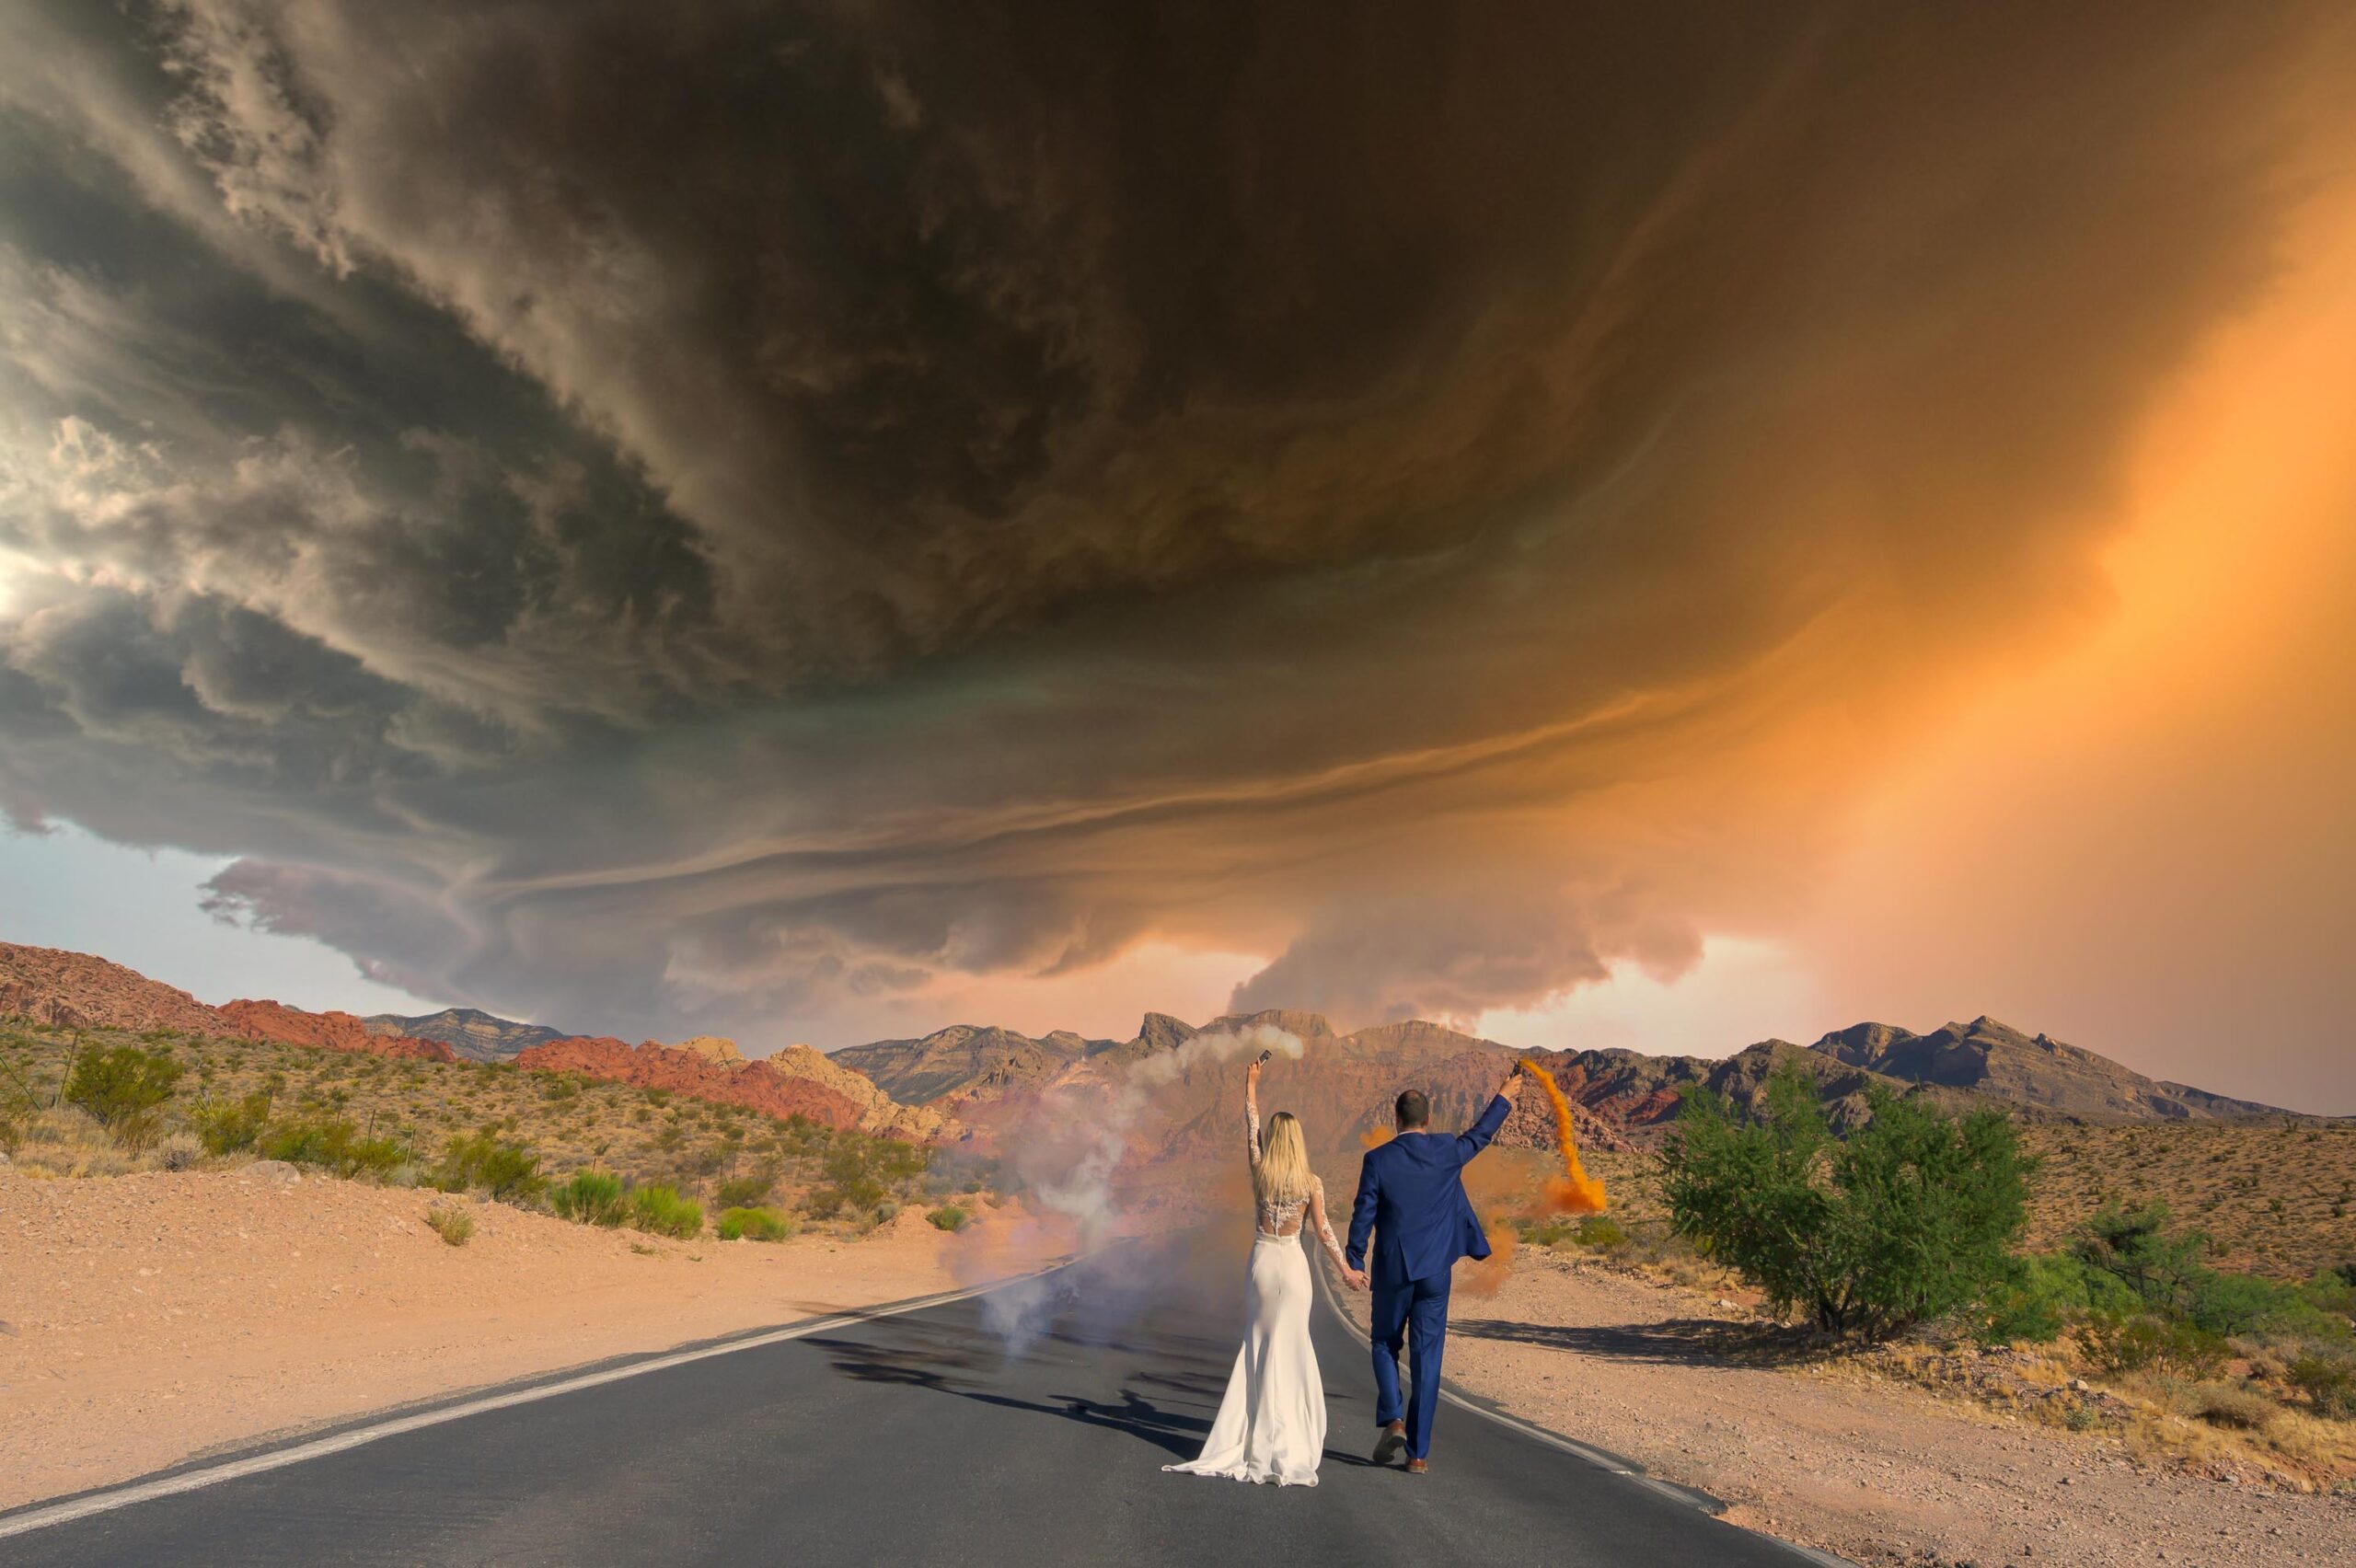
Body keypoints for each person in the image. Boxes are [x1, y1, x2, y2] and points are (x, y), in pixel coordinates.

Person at [1163, 1055, 1365, 1485]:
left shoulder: (1260, 1173)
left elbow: (1251, 1127)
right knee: (1291, 1347)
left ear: (1275, 1141)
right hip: (1292, 1266)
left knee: (1256, 1346)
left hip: (1260, 1263)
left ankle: (1249, 1436)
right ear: (1299, 1141)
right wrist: (1346, 1269)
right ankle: (1288, 1440)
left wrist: (1251, 1085)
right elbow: (1325, 1230)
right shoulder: (1310, 1183)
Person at [1345, 1065, 1523, 1473]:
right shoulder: (1445, 1150)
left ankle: (1393, 1419)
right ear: (1428, 1119)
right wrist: (1505, 1094)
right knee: (1427, 1359)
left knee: (1384, 1344)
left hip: (1393, 1271)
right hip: (1435, 1275)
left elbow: (1363, 1214)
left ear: (1396, 1119)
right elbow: (1481, 1134)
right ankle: (1418, 1455)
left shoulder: (1378, 1159)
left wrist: (1355, 1259)